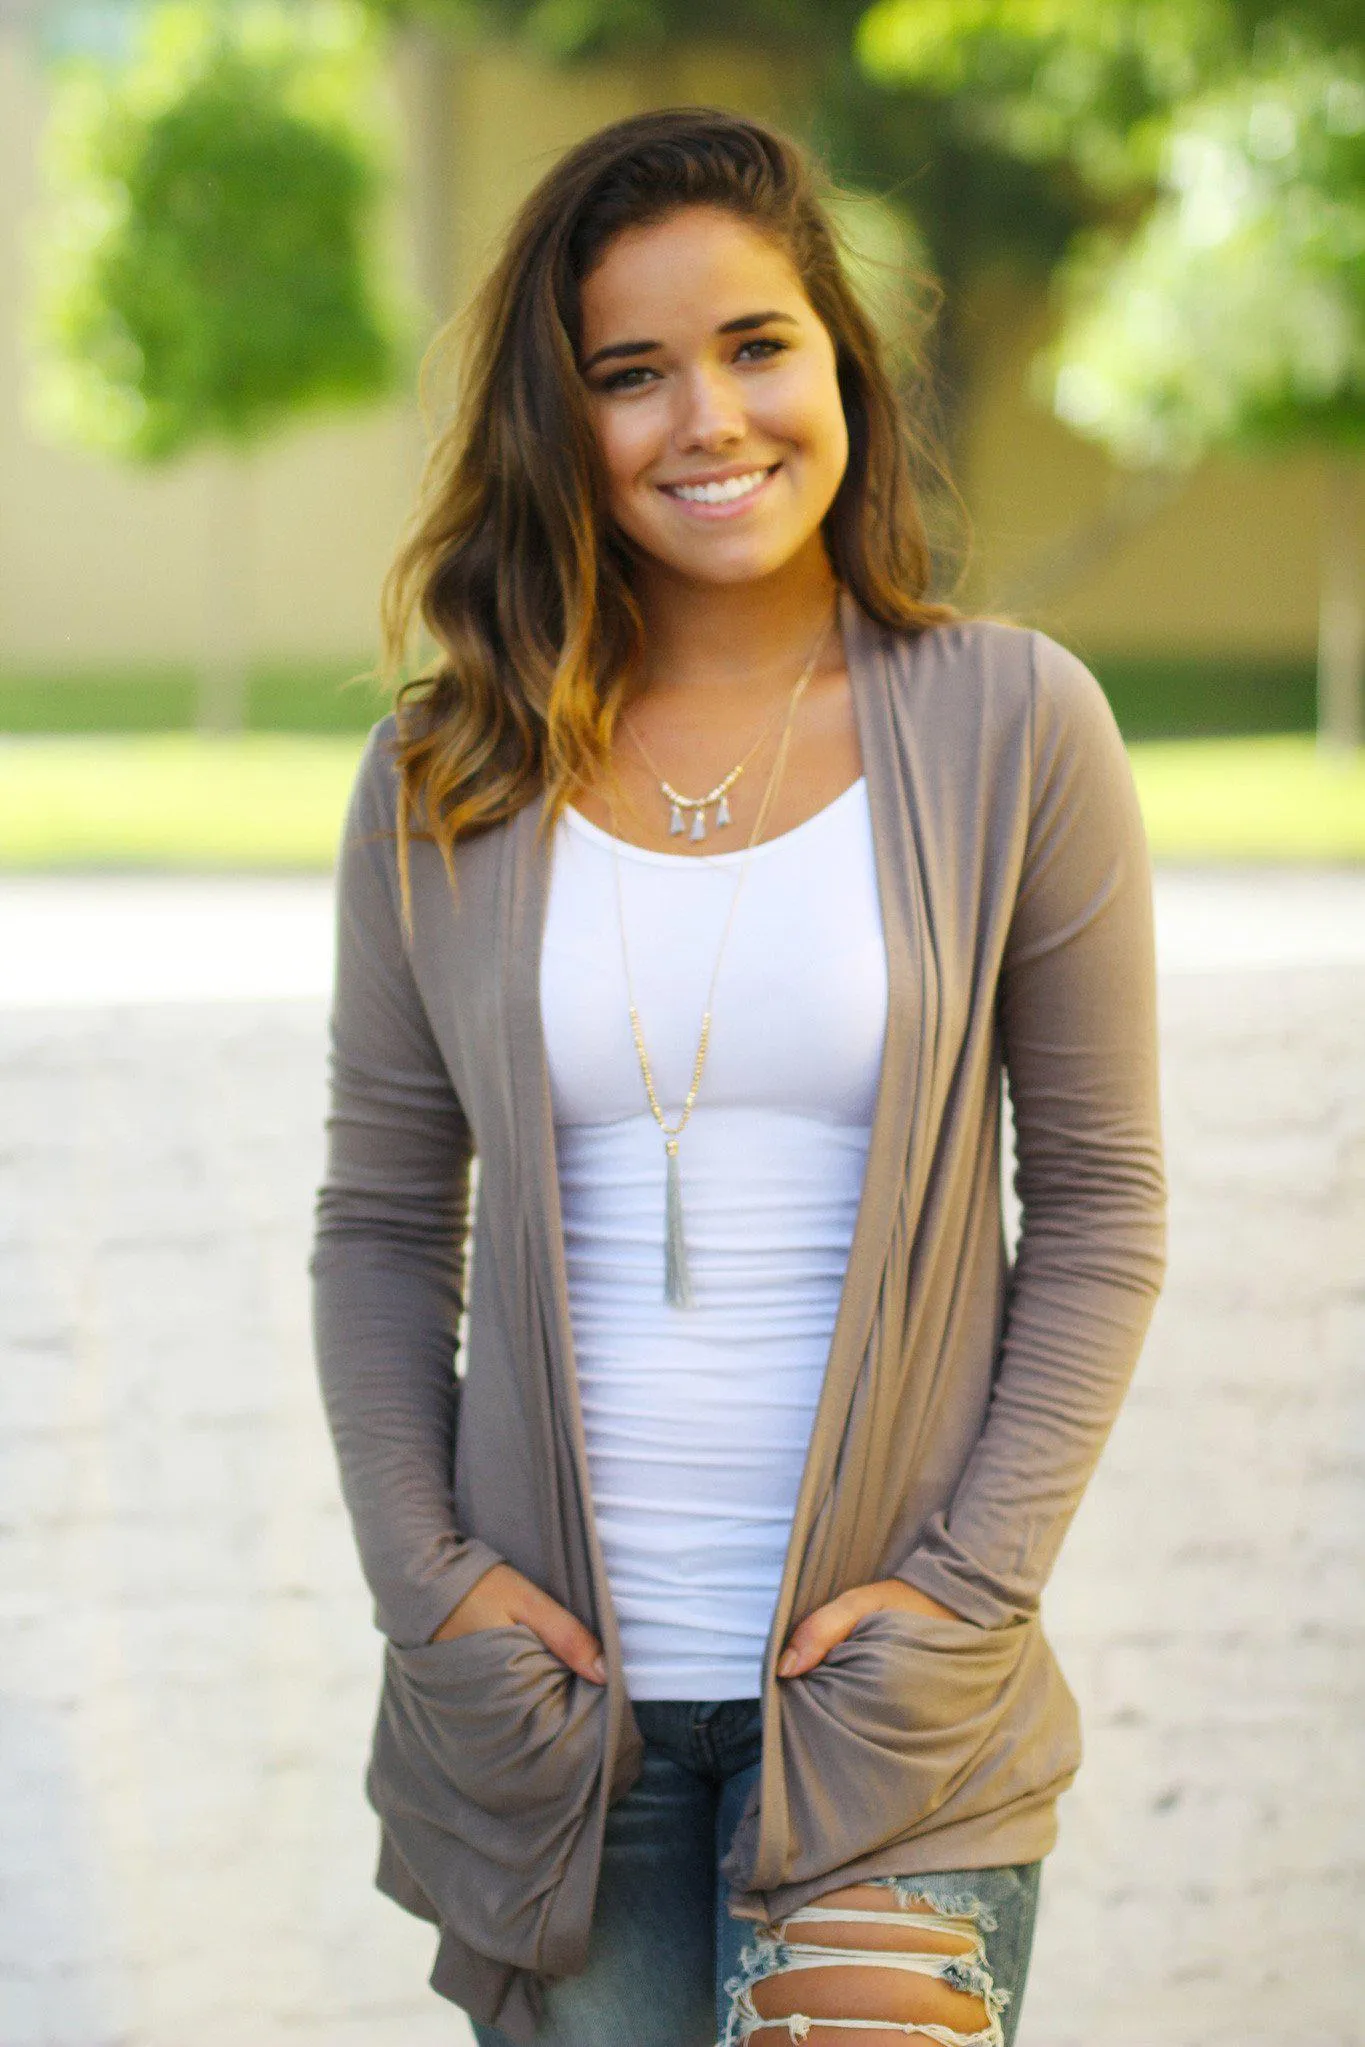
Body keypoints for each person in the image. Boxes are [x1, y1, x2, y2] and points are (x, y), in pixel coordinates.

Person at [309, 106, 1168, 2047]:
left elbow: (1104, 1206)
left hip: (890, 1732)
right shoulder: (442, 775)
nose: (707, 418)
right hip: (555, 1734)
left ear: (838, 364)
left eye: (755, 346)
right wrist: (425, 1584)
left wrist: (967, 1591)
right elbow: (377, 1220)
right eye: (630, 373)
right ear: (563, 423)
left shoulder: (1014, 726)